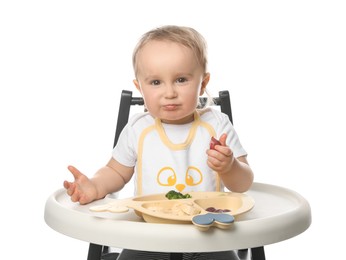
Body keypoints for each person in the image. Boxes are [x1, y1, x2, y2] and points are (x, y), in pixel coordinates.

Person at [64, 25, 254, 260]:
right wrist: (94, 186)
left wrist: (229, 166)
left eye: (181, 80)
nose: (169, 92)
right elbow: (116, 171)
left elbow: (243, 183)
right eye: (156, 82)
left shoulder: (217, 124)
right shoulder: (139, 128)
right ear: (140, 87)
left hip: (209, 234)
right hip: (148, 235)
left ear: (203, 84)